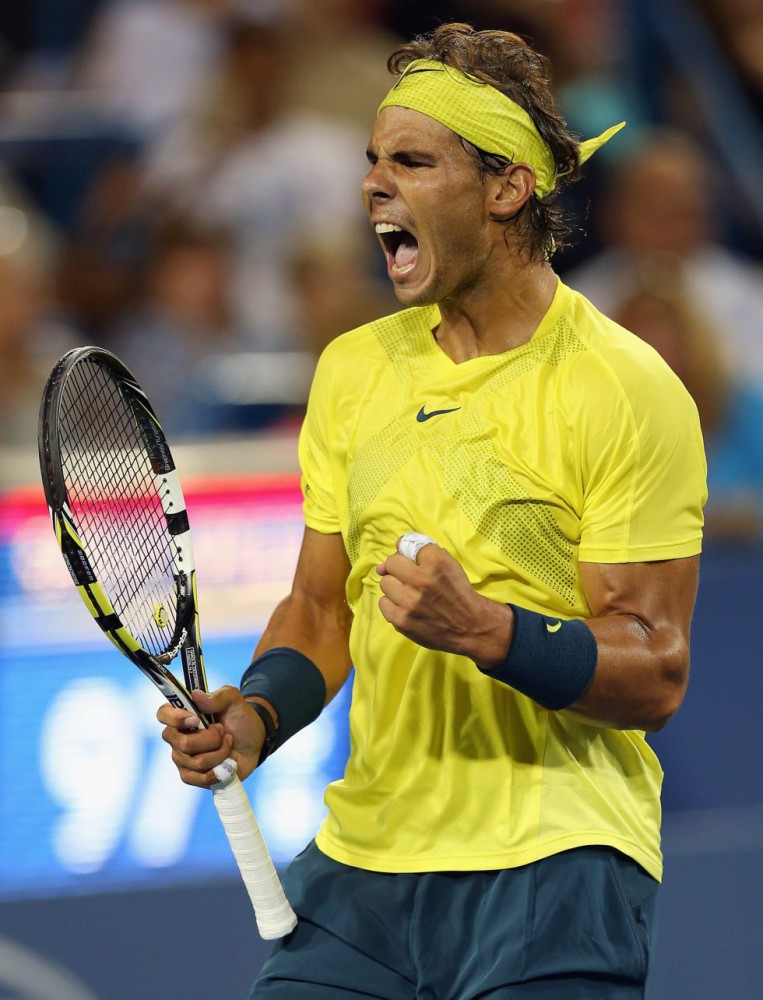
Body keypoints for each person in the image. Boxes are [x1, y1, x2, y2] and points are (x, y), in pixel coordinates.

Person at [158, 23, 706, 999]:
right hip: (366, 866)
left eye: (411, 161)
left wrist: (489, 631)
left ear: (506, 189)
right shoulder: (352, 371)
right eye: (372, 161)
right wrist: (255, 712)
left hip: (556, 857)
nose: (373, 184)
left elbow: (654, 665)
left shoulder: (624, 386)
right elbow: (324, 610)